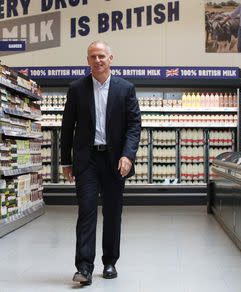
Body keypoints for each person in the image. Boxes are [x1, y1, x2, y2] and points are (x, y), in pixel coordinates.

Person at [60, 41, 141, 285]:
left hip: (115, 159)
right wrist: (66, 161)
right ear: (88, 60)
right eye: (93, 56)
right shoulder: (77, 89)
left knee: (113, 211)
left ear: (111, 58)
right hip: (87, 160)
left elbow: (134, 125)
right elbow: (67, 127)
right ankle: (84, 268)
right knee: (86, 211)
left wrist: (128, 155)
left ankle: (109, 262)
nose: (98, 60)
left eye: (102, 56)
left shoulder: (125, 89)